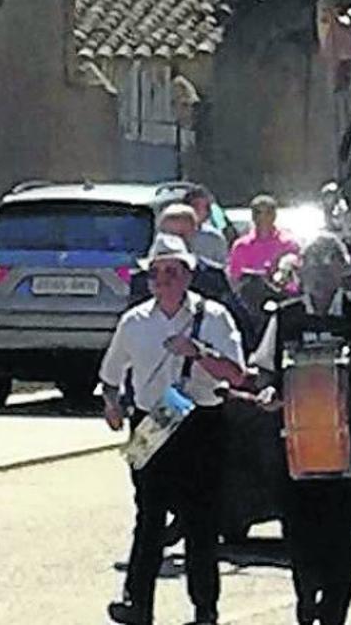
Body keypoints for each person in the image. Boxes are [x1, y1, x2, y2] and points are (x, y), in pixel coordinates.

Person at [250, 234, 351, 624]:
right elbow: (263, 369)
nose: (322, 271)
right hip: (296, 448)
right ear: (301, 269)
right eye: (314, 263)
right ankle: (306, 597)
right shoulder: (285, 316)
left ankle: (334, 612)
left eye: (330, 262)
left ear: (344, 268)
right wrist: (267, 390)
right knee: (300, 534)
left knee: (342, 539)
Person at [100, 234, 247, 625]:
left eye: (171, 272)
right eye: (156, 274)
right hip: (152, 421)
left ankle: (204, 609)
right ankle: (138, 604)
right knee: (147, 516)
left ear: (187, 275)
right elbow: (111, 376)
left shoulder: (213, 317)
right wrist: (112, 405)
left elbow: (237, 373)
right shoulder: (134, 321)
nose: (163, 280)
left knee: (201, 520)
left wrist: (198, 352)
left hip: (200, 422)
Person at [129, 204, 256, 349]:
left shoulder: (211, 276)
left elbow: (238, 325)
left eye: (181, 235)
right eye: (170, 235)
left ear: (194, 233)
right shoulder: (143, 278)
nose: (175, 242)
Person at [227, 194, 301, 283]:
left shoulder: (288, 243)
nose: (262, 217)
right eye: (258, 213)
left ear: (274, 215)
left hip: (283, 295)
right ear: (253, 216)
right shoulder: (241, 246)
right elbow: (234, 279)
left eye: (268, 213)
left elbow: (296, 279)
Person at [183, 185, 231, 269]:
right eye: (194, 205)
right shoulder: (171, 236)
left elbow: (223, 267)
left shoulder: (215, 238)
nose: (198, 210)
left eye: (202, 206)